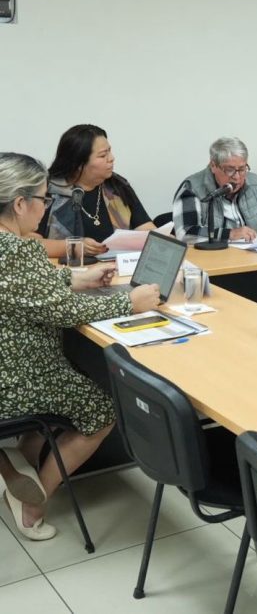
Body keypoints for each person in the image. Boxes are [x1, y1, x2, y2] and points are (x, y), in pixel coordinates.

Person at [0, 152, 161, 541]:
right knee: (101, 411)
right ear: (20, 204)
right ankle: (33, 503)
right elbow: (63, 311)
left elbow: (30, 287)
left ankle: (21, 460)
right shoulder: (15, 250)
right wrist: (130, 303)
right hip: (17, 377)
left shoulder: (10, 245)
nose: (45, 207)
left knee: (70, 384)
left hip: (11, 366)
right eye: (43, 199)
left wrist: (82, 279)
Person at [33, 124, 157, 258]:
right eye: (103, 155)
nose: (111, 158)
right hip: (66, 269)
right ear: (79, 163)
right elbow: (29, 243)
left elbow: (145, 228)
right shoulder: (46, 192)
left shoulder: (116, 186)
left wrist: (162, 240)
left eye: (109, 151)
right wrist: (73, 247)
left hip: (115, 268)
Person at [172, 136, 257, 242]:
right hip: (215, 258)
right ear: (213, 165)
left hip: (255, 256)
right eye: (230, 170)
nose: (237, 177)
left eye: (242, 169)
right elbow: (185, 233)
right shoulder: (192, 188)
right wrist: (229, 234)